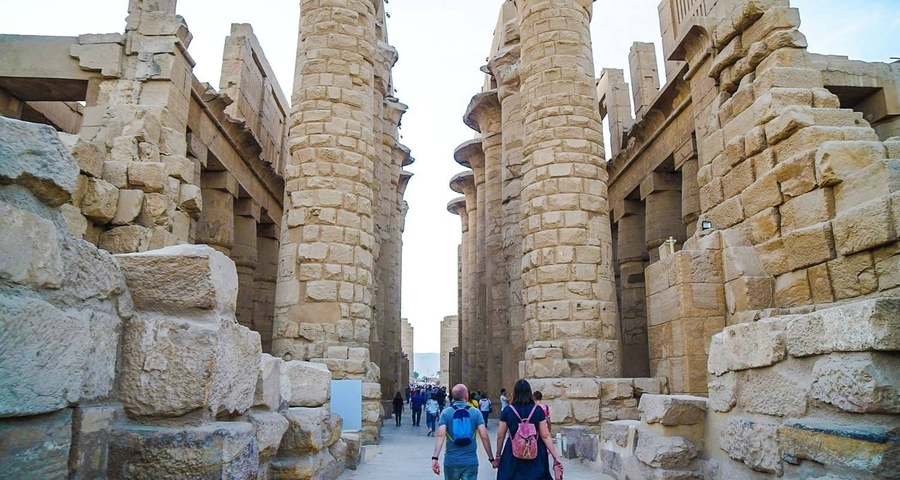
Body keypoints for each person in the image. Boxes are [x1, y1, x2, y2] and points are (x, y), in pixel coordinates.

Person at [493, 379, 563, 480]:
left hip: (513, 452)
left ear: (515, 393)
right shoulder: (538, 410)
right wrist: (555, 456)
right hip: (536, 452)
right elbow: (545, 435)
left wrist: (498, 455)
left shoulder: (508, 411)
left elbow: (500, 435)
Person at [431, 384, 496, 480]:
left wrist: (435, 458)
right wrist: (491, 458)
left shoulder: (446, 412)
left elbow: (441, 435)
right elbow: (484, 436)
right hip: (470, 461)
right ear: (466, 395)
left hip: (451, 460)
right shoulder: (475, 412)